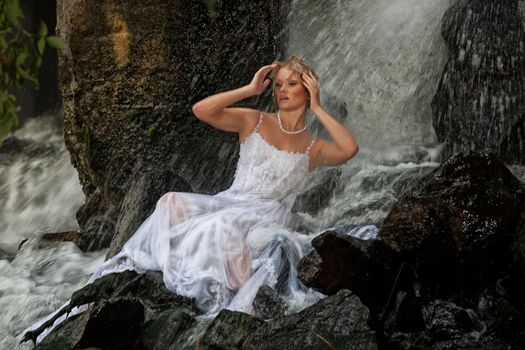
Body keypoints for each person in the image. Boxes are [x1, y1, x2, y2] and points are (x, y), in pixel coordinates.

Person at [24, 56, 363, 343]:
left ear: (308, 87)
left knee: (218, 226)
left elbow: (349, 149)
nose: (283, 91)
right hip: (233, 198)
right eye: (279, 85)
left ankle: (221, 296)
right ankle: (167, 268)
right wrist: (249, 89)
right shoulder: (254, 119)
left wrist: (318, 107)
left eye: (292, 84)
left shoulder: (312, 147)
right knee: (170, 201)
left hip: (266, 212)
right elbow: (202, 110)